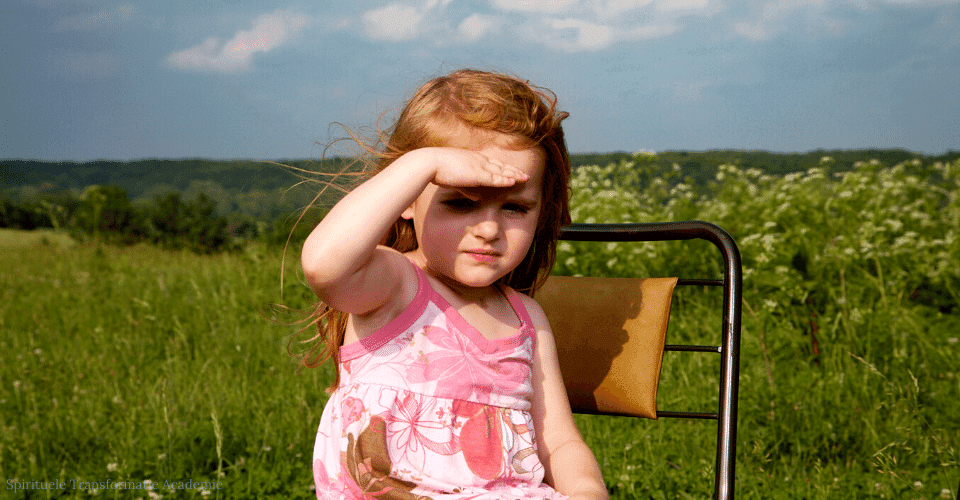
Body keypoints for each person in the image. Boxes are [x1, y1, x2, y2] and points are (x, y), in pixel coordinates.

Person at [299, 68, 608, 500]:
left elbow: (559, 441)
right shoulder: (394, 283)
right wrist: (425, 164)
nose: (488, 228)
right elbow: (323, 264)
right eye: (460, 201)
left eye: (515, 208)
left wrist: (587, 492)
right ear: (406, 198)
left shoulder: (525, 316)